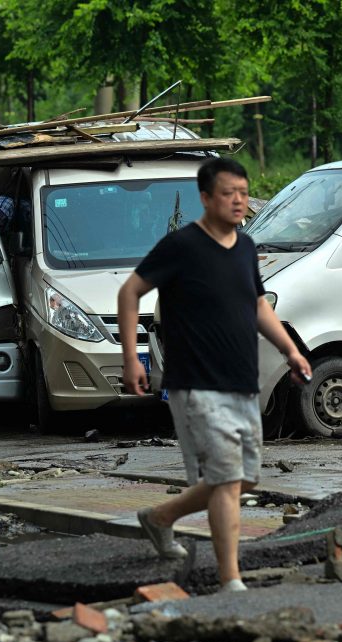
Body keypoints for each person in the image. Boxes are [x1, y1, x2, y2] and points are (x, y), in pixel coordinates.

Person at [117, 157, 312, 593]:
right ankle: (231, 581)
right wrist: (133, 359)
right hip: (196, 386)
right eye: (229, 193)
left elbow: (258, 304)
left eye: (243, 192)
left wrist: (291, 349)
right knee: (225, 481)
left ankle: (159, 518)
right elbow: (130, 291)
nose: (239, 200)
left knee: (243, 478)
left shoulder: (244, 247)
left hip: (243, 383)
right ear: (206, 198)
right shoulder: (181, 246)